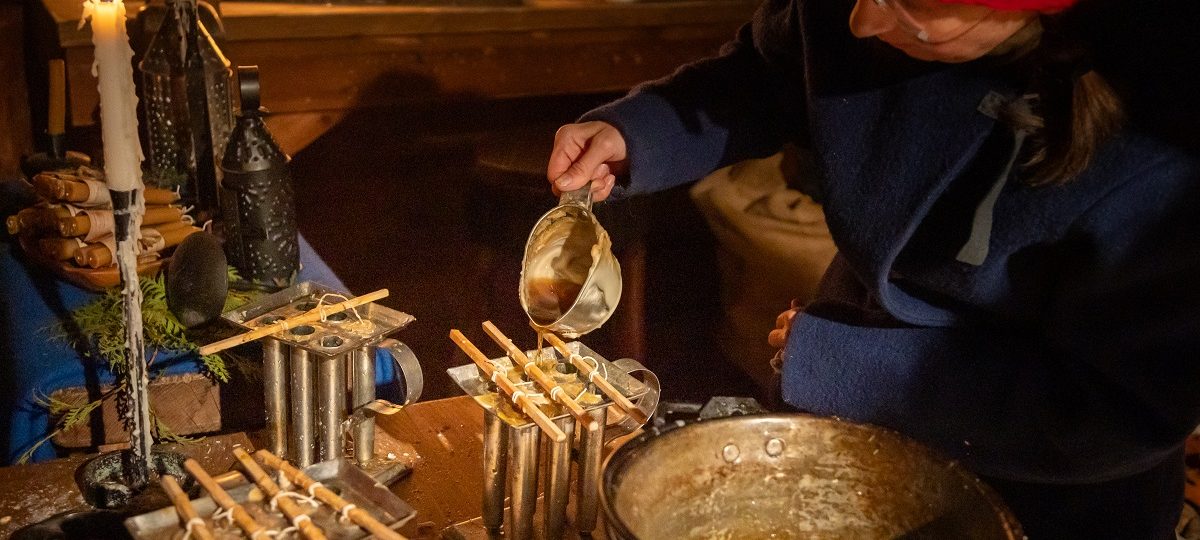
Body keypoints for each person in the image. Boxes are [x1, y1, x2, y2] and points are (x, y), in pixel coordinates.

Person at [544, 0, 1200, 537]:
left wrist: (851, 368)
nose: (859, 21)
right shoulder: (853, 12)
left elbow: (1124, 409)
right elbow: (767, 75)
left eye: (904, 7)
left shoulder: (1165, 140)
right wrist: (641, 134)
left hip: (1050, 482)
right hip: (857, 383)